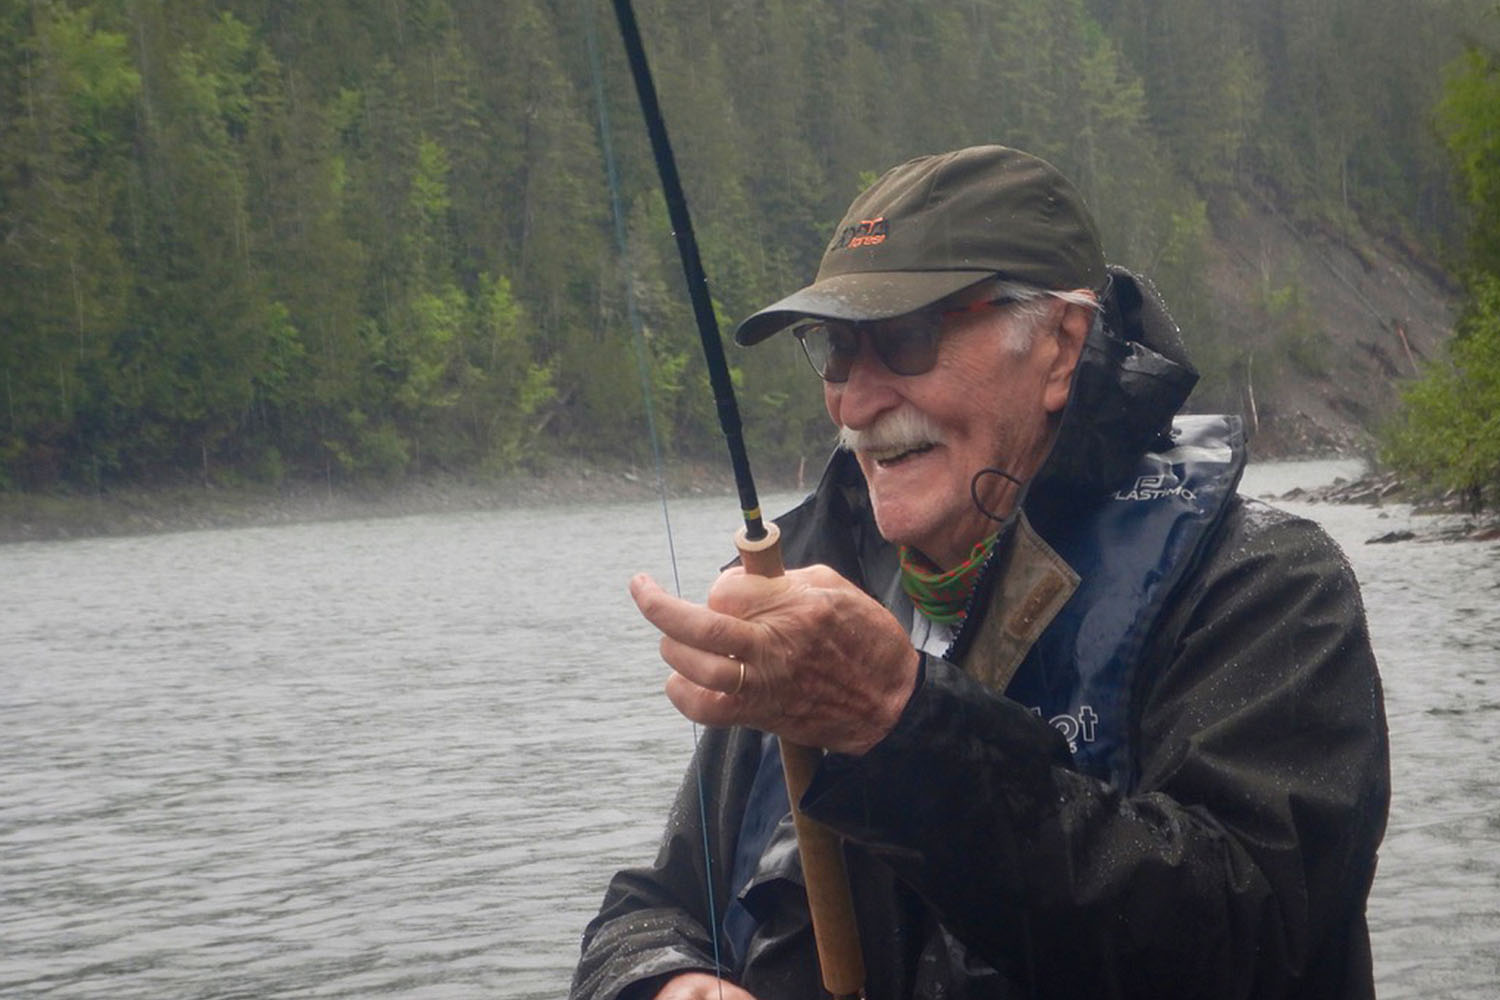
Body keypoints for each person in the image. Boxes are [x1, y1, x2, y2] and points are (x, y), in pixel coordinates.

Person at [570, 145, 1389, 1000]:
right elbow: (653, 911)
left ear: (1061, 347)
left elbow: (1255, 943)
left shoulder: (1268, 589)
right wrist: (665, 981)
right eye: (838, 350)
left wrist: (897, 721)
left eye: (907, 338)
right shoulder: (810, 596)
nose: (856, 401)